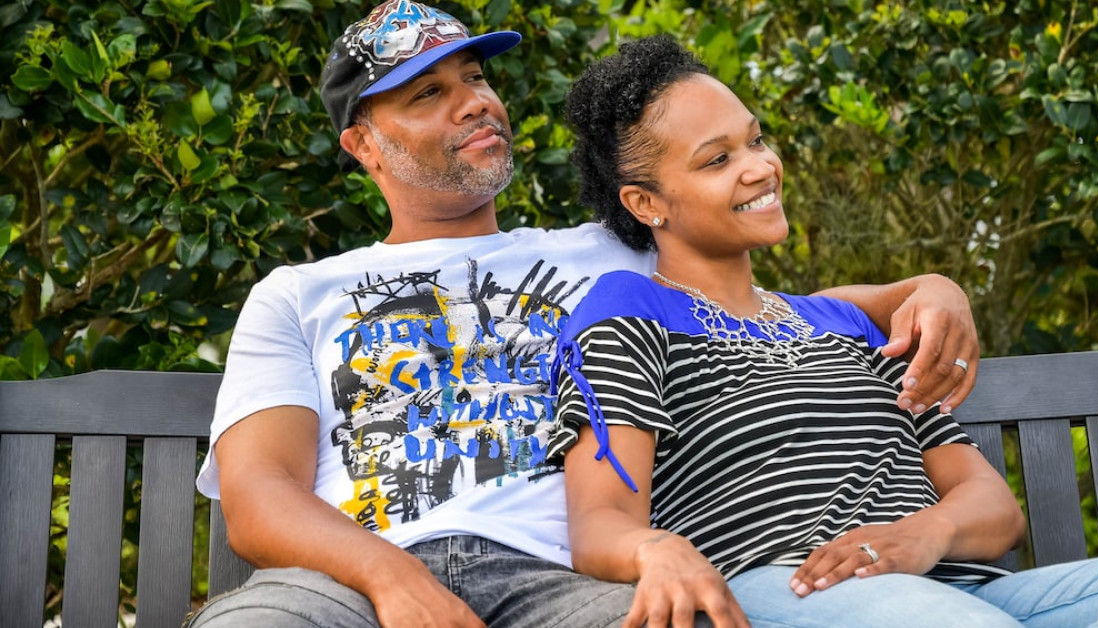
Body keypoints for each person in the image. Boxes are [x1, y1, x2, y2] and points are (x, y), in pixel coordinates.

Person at [184, 3, 985, 627]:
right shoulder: (296, 293)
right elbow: (259, 495)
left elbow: (774, 312)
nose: (475, 104)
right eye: (431, 93)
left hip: (565, 576)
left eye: (476, 78)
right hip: (347, 582)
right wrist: (392, 577)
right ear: (362, 145)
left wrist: (929, 287)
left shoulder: (614, 254)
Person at [549, 34, 1098, 628]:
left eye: (755, 139)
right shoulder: (626, 311)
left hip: (960, 589)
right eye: (717, 160)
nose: (759, 167)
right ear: (647, 203)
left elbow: (993, 507)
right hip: (790, 585)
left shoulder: (845, 322)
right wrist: (658, 551)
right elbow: (602, 521)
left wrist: (928, 533)